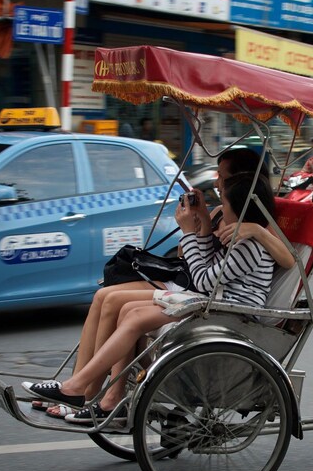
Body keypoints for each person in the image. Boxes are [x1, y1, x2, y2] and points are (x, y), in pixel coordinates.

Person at [35, 148, 294, 419]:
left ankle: (81, 390)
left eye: (223, 179)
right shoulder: (233, 227)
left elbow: (205, 279)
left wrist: (192, 234)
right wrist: (202, 227)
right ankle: (91, 391)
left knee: (125, 311)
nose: (218, 183)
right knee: (124, 310)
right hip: (211, 294)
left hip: (224, 306)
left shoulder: (251, 240)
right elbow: (205, 267)